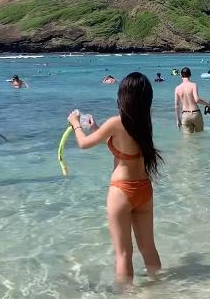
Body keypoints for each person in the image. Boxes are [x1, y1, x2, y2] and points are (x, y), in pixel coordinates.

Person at [67, 72, 162, 288]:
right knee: (148, 247)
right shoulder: (145, 121)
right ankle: (160, 289)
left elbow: (84, 144)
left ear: (123, 96)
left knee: (123, 253)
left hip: (122, 191)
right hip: (144, 189)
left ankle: (127, 294)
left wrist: (75, 124)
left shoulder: (116, 122)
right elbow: (122, 145)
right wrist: (96, 128)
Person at [174, 67, 210, 133]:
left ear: (181, 75)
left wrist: (178, 120)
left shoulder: (177, 88)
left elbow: (177, 106)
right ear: (190, 75)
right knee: (200, 136)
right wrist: (208, 104)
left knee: (188, 140)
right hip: (195, 114)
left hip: (185, 115)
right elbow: (197, 99)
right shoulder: (193, 85)